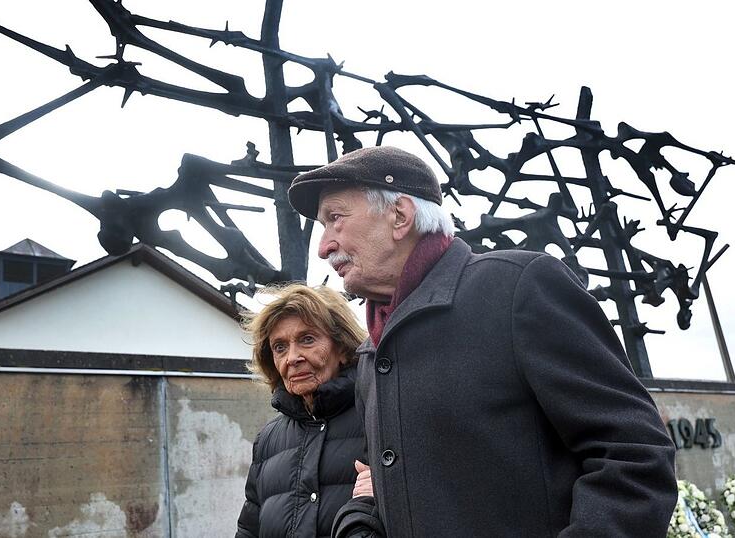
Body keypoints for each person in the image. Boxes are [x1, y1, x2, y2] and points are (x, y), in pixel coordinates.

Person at [287, 146, 677, 537]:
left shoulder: (517, 288)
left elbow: (635, 455)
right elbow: (380, 480)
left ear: (400, 215)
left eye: (334, 219)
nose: (323, 246)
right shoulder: (371, 352)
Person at [236, 284, 369, 538]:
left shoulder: (378, 418)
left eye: (307, 339)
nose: (292, 358)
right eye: (280, 347)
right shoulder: (268, 440)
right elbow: (248, 531)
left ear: (342, 348)